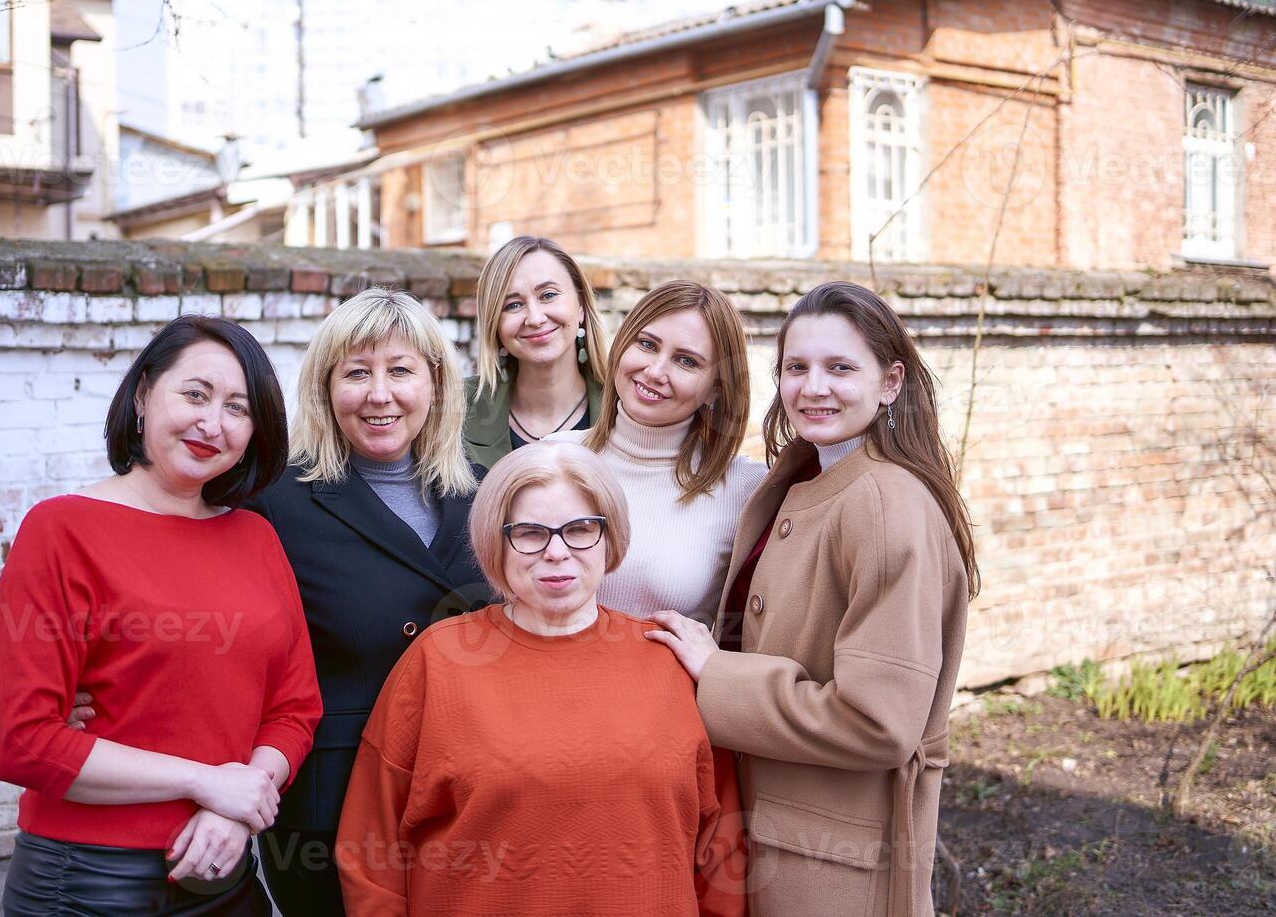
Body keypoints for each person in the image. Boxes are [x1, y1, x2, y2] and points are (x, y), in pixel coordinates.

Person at [646, 281, 979, 917]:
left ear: (890, 381)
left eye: (839, 368)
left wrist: (716, 675)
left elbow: (877, 721)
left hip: (835, 870)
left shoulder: (885, 505)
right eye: (796, 368)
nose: (813, 387)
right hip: (775, 840)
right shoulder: (813, 477)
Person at [0, 316, 322, 916]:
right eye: (194, 394)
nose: (212, 423)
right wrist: (204, 780)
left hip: (226, 871)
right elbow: (23, 741)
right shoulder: (62, 529)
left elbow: (295, 708)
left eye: (238, 408)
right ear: (143, 395)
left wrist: (235, 804)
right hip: (90, 882)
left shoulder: (255, 537)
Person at [335, 442, 746, 917]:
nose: (556, 552)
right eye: (530, 533)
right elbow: (371, 844)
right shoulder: (438, 660)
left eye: (580, 530)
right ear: (496, 542)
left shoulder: (669, 660)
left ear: (610, 538)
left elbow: (722, 847)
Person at [252, 287, 491, 915]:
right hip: (331, 800)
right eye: (357, 372)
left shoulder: (484, 496)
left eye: (401, 371)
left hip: (468, 786)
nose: (379, 394)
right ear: (326, 389)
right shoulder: (276, 502)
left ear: (435, 384)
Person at [567, 279, 766, 622]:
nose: (656, 371)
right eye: (646, 344)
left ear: (715, 391)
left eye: (686, 362)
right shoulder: (550, 458)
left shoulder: (747, 490)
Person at [463, 235, 609, 467]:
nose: (535, 318)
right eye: (513, 305)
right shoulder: (456, 410)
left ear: (580, 306)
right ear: (494, 325)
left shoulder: (624, 407)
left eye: (548, 295)